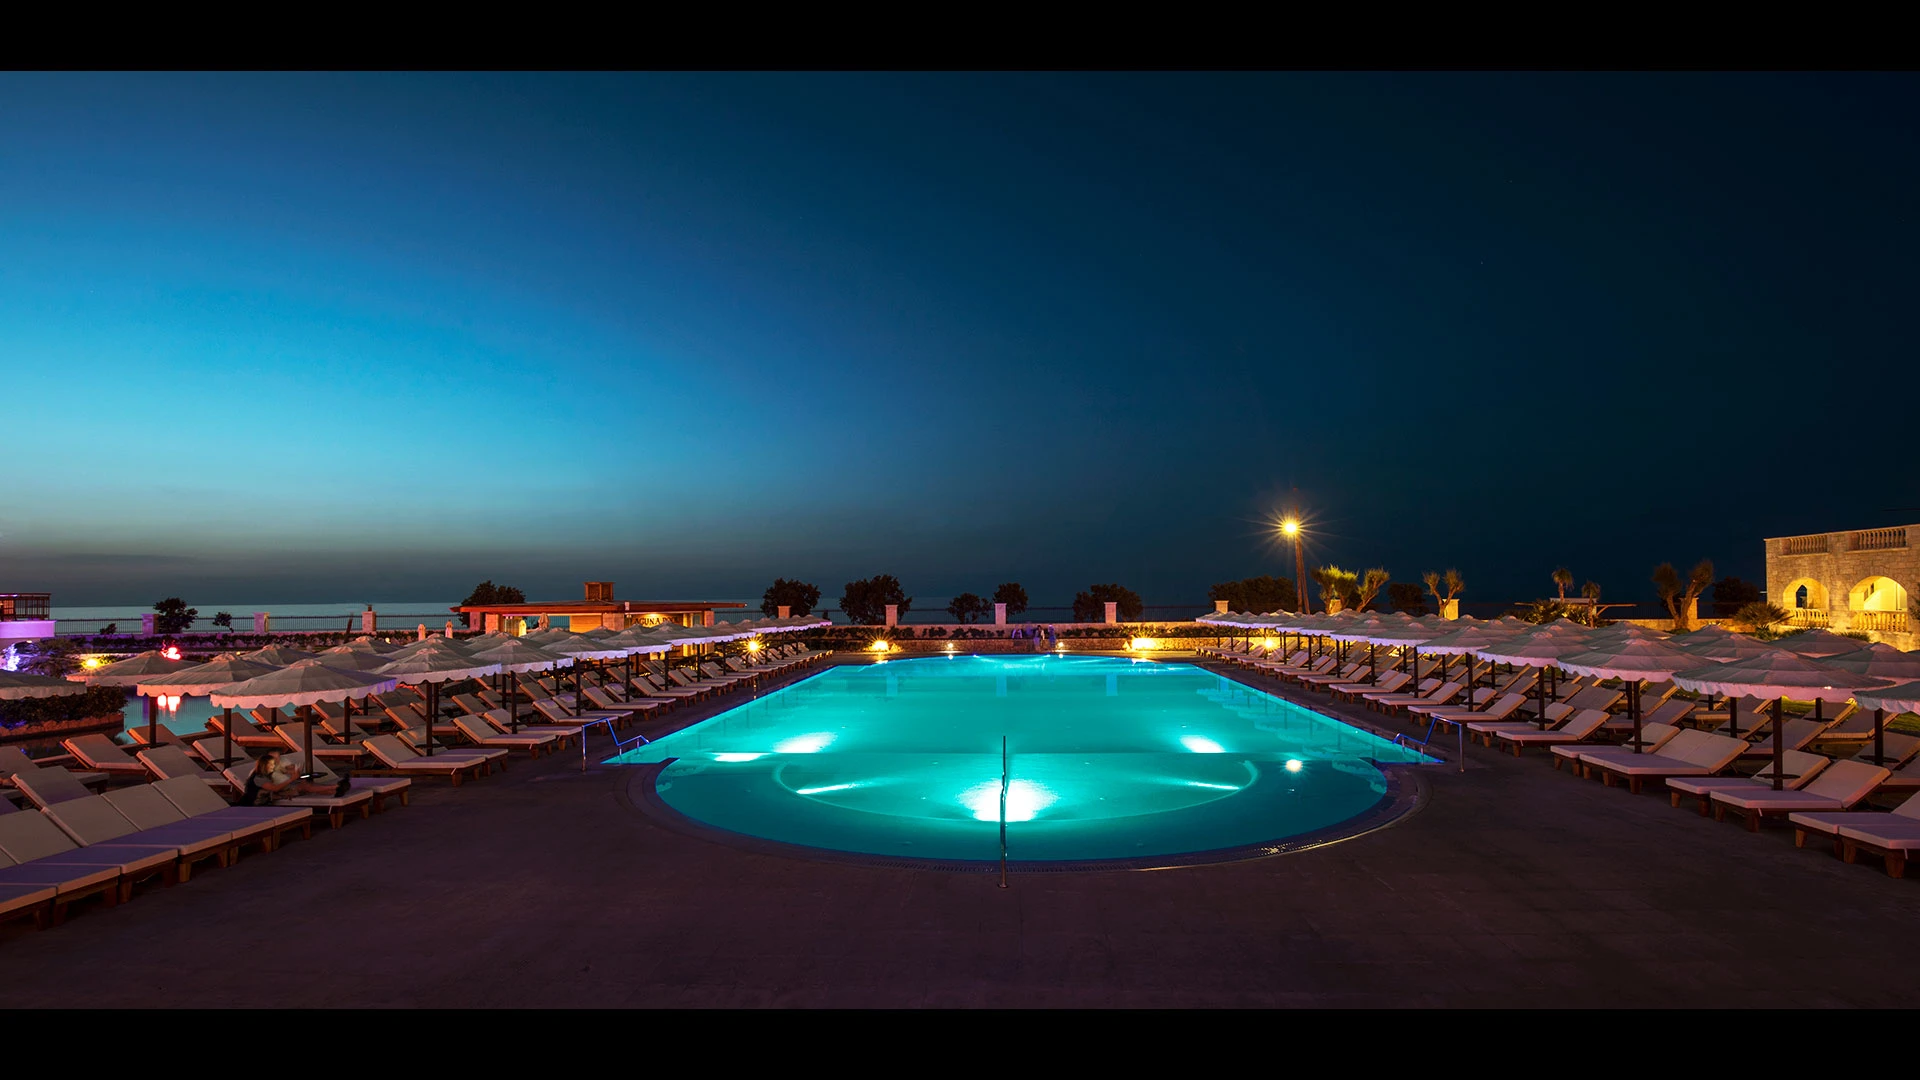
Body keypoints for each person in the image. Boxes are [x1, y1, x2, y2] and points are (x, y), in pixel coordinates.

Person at [240, 749, 350, 806]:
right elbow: (274, 788)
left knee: (304, 787)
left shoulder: (266, 774)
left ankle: (335, 790)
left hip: (271, 797)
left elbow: (270, 791)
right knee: (303, 787)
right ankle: (335, 787)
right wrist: (291, 780)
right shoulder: (258, 777)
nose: (274, 765)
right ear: (264, 764)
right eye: (271, 764)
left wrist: (281, 795)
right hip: (255, 803)